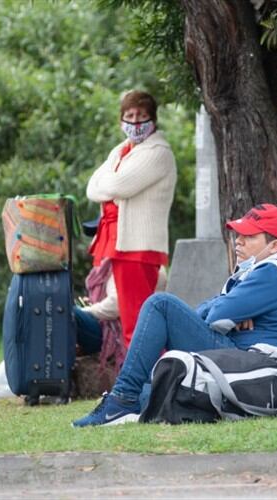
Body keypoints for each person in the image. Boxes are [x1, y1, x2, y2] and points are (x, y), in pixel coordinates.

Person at [72, 203, 277, 427]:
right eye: (239, 234)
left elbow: (215, 316)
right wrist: (229, 313)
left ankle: (121, 399)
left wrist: (226, 312)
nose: (239, 241)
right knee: (152, 393)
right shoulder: (261, 269)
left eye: (250, 236)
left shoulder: (272, 271)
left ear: (275, 246)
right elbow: (214, 311)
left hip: (250, 363)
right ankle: (123, 401)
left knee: (160, 305)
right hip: (237, 359)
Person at [85, 90, 176, 349]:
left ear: (153, 120)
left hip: (138, 246)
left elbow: (121, 185)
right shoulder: (121, 150)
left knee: (137, 323)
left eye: (141, 116)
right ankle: (145, 380)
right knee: (133, 320)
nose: (135, 122)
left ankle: (145, 382)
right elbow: (92, 187)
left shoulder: (158, 151)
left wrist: (110, 186)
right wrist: (109, 186)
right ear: (121, 120)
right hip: (120, 243)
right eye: (130, 116)